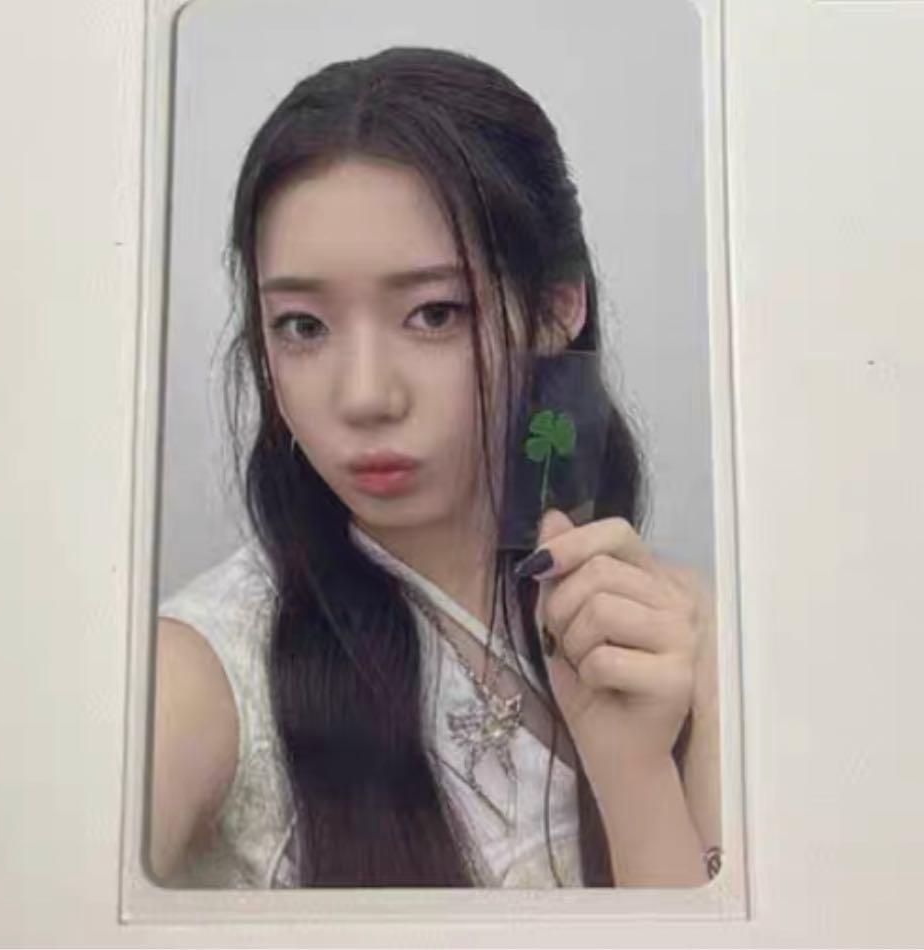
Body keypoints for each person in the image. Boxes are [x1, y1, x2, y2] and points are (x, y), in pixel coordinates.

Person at [149, 46, 721, 889]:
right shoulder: (196, 678)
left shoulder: (680, 631)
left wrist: (634, 775)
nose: (365, 396)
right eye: (303, 326)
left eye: (434, 314)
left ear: (555, 309)